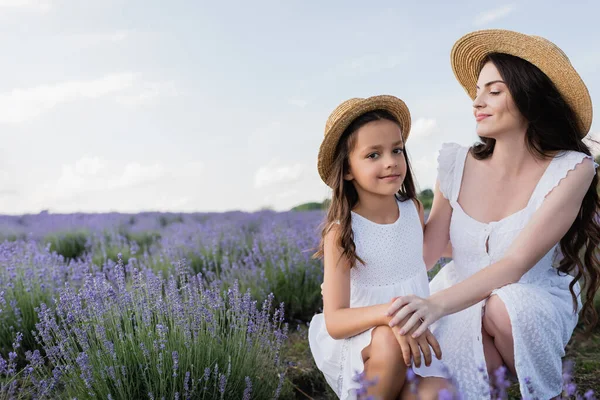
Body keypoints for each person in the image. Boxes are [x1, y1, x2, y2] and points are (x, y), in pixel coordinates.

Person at [386, 29, 600, 399]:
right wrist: (360, 256)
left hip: (527, 299)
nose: (477, 101)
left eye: (494, 91)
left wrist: (434, 305)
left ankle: (548, 392)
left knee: (504, 306)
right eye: (477, 91)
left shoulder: (572, 168)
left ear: (530, 98)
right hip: (458, 297)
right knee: (450, 383)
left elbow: (516, 264)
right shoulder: (456, 162)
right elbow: (429, 251)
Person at [308, 95, 449, 400]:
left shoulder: (413, 209)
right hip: (368, 345)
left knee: (441, 393)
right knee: (387, 341)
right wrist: (391, 314)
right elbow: (335, 321)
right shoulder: (342, 234)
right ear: (347, 170)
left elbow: (419, 256)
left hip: (415, 338)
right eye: (373, 155)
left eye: (396, 150)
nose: (390, 161)